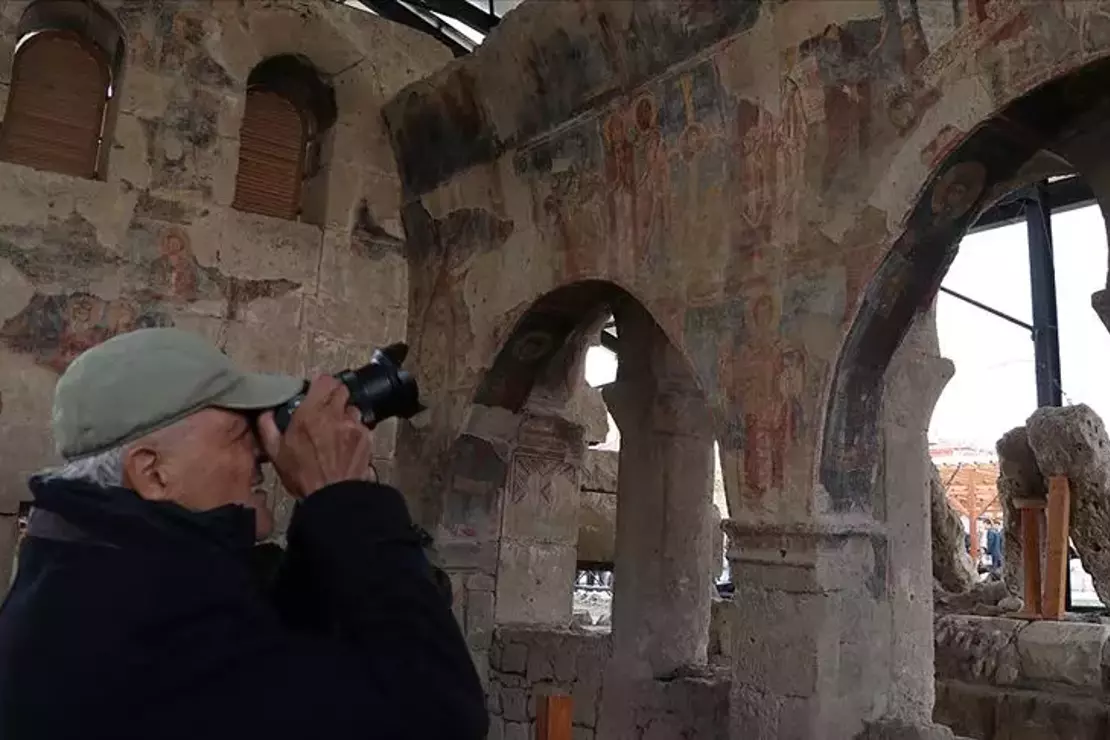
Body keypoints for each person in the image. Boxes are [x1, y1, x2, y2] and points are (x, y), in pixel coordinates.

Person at [0, 328, 488, 740]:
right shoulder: (138, 643)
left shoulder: (92, 573)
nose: (263, 453)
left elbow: (286, 644)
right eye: (241, 434)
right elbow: (440, 714)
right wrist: (343, 500)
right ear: (152, 473)